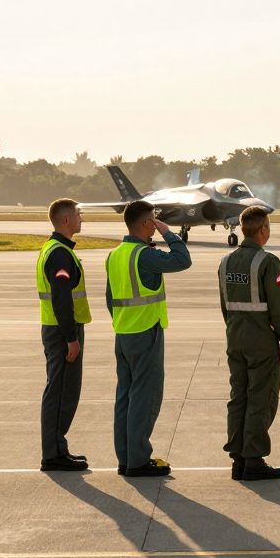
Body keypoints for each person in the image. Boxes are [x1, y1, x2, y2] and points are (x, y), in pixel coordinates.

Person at [106, 200, 192, 477]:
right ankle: (139, 460)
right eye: (153, 219)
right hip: (146, 332)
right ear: (146, 224)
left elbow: (110, 298)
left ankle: (126, 457)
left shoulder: (116, 254)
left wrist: (123, 322)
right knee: (145, 397)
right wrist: (168, 233)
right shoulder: (144, 255)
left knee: (125, 397)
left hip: (123, 333)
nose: (156, 223)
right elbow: (182, 260)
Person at [218, 206, 280, 481]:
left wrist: (234, 327)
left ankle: (238, 457)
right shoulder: (267, 262)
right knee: (261, 397)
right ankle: (253, 460)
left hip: (235, 335)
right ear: (263, 230)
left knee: (239, 396)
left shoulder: (225, 261)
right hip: (260, 339)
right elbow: (278, 307)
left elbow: (224, 304)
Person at [37, 198, 91, 472]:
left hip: (57, 328)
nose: (82, 218)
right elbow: (60, 296)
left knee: (61, 391)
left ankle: (57, 448)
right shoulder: (59, 254)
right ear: (67, 220)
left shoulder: (56, 249)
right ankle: (53, 454)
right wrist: (71, 337)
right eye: (79, 215)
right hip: (62, 331)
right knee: (61, 393)